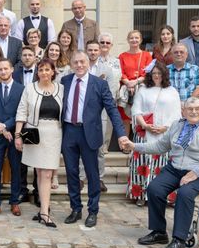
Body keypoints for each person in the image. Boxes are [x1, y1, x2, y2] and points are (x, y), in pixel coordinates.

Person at [125, 97, 199, 248]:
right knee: (154, 189)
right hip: (175, 169)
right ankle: (159, 232)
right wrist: (135, 146)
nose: (193, 111)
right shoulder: (177, 125)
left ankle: (179, 240)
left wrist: (195, 173)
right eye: (190, 109)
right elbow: (160, 146)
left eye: (197, 109)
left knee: (185, 194)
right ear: (183, 111)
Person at [61, 51, 129, 228]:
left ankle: (93, 210)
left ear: (88, 64)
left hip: (89, 134)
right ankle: (75, 208)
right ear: (71, 64)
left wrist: (121, 133)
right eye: (76, 62)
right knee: (71, 173)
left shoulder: (99, 84)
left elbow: (112, 110)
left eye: (82, 62)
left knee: (92, 175)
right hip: (69, 132)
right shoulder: (65, 82)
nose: (79, 65)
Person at [15, 58, 64, 226]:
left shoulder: (61, 89)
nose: (44, 72)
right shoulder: (30, 88)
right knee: (40, 172)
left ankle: (44, 211)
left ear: (53, 72)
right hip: (35, 133)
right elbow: (22, 112)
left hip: (54, 134)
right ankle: (44, 210)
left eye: (47, 70)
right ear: (38, 72)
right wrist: (18, 135)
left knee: (48, 173)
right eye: (41, 70)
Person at [128, 60, 181, 205]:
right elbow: (136, 110)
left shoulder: (172, 91)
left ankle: (164, 196)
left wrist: (166, 127)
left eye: (159, 73)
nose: (156, 76)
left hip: (164, 134)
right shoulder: (143, 89)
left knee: (162, 167)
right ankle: (141, 195)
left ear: (164, 74)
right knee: (142, 163)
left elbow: (177, 115)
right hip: (145, 134)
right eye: (154, 73)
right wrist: (145, 125)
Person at [79, 40, 120, 192]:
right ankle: (81, 177)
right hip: (81, 113)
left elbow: (108, 92)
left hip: (99, 114)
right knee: (82, 145)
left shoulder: (106, 70)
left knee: (99, 147)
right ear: (86, 51)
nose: (93, 52)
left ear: (100, 51)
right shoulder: (79, 67)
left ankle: (100, 178)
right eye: (90, 50)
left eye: (96, 50)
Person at [0, 58, 24, 218]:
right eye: (0, 69)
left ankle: (15, 202)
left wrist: (7, 126)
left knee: (16, 169)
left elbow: (21, 112)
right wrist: (1, 129)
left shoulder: (21, 89)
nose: (2, 72)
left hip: (15, 135)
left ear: (11, 70)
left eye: (5, 69)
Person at [118, 30, 153, 135]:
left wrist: (135, 82)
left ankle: (139, 142)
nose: (134, 40)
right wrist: (128, 83)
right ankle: (125, 144)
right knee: (125, 117)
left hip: (141, 87)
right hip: (125, 89)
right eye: (131, 38)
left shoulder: (146, 55)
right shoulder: (122, 56)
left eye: (136, 38)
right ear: (128, 40)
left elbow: (148, 72)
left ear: (141, 40)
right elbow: (120, 71)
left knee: (140, 115)